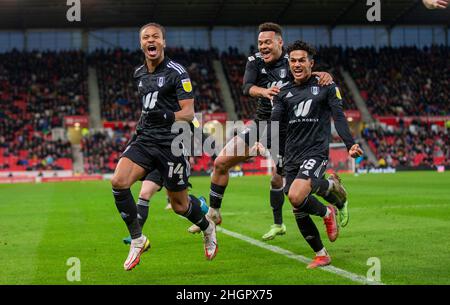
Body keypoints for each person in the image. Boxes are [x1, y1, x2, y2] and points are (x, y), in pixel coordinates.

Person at [188, 22, 335, 241]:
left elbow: (309, 76)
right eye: (260, 43)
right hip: (261, 125)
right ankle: (214, 213)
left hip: (290, 130)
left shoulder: (293, 61)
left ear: (280, 43)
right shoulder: (254, 61)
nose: (263, 46)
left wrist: (323, 74)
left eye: (267, 42)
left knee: (284, 182)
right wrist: (264, 91)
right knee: (220, 162)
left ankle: (330, 189)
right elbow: (247, 87)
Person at [111, 22, 217, 271]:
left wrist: (167, 116)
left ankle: (207, 226)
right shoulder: (139, 74)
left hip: (173, 144)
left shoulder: (177, 71)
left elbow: (189, 113)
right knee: (118, 181)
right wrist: (142, 126)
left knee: (180, 205)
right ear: (141, 44)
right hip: (146, 140)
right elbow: (147, 109)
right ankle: (137, 240)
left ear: (163, 42)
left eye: (156, 37)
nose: (151, 40)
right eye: (146, 37)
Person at [271, 40, 363, 269]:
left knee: (295, 195)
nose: (297, 64)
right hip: (291, 154)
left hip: (315, 151)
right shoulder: (283, 92)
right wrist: (267, 145)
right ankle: (322, 253)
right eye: (293, 60)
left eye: (302, 60)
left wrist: (350, 143)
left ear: (311, 63)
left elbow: (339, 116)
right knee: (297, 206)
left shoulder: (326, 85)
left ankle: (327, 210)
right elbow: (276, 124)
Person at [121, 168, 209, 245]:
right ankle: (136, 236)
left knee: (180, 204)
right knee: (144, 194)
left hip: (173, 162)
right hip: (156, 162)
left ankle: (200, 204)